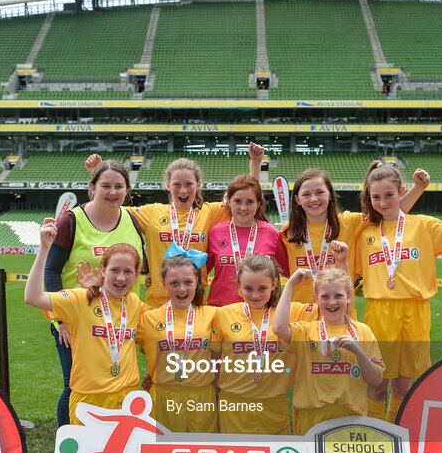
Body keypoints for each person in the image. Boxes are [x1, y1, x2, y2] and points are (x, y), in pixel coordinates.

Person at [354, 161, 442, 423]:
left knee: (402, 385)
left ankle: (396, 430)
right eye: (376, 197)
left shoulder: (424, 225)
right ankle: (375, 433)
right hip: (379, 312)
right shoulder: (364, 233)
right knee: (376, 383)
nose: (383, 202)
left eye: (389, 195)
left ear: (401, 191)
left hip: (416, 311)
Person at [85, 145, 264, 308]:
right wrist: (100, 176)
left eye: (189, 184)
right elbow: (112, 208)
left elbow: (248, 197)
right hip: (158, 304)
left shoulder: (209, 212)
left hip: (196, 305)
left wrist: (255, 164)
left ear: (198, 185)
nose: (183, 191)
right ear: (168, 185)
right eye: (177, 185)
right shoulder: (152, 212)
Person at [41, 160, 145, 427]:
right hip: (78, 319)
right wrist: (60, 320)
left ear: (127, 190)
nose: (112, 192)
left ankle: (113, 440)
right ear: (92, 187)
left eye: (118, 186)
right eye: (105, 186)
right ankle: (68, 446)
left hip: (120, 318)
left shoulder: (132, 219)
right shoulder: (73, 220)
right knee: (74, 384)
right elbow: (51, 270)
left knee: (115, 385)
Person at [25, 222, 145, 426]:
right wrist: (44, 249)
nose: (121, 277)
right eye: (115, 270)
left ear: (137, 274)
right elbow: (33, 297)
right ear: (103, 270)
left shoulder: (135, 304)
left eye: (128, 271)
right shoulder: (79, 300)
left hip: (126, 398)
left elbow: (162, 328)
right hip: (88, 400)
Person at [280, 167, 428, 305]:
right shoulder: (289, 230)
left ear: (330, 194)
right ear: (297, 199)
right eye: (306, 194)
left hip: (340, 313)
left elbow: (389, 211)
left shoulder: (349, 222)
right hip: (301, 315)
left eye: (320, 192)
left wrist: (418, 188)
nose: (313, 199)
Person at [273, 267, 384, 436]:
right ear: (316, 299)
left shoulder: (363, 331)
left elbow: (376, 380)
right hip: (312, 415)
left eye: (338, 296)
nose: (332, 302)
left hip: (350, 417)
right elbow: (279, 328)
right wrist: (290, 285)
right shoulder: (306, 331)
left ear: (348, 298)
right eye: (325, 297)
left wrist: (357, 350)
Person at [136, 247, 219, 433]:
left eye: (188, 282)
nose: (182, 289)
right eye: (174, 283)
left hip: (202, 397)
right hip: (164, 397)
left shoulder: (214, 315)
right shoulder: (148, 319)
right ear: (163, 284)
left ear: (197, 281)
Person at [210, 255, 295, 434]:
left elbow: (332, 305)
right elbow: (215, 358)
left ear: (274, 285)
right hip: (234, 406)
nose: (255, 295)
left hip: (273, 406)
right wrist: (215, 390)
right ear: (239, 287)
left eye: (262, 288)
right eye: (248, 288)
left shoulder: (289, 312)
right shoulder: (223, 314)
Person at [205, 175, 288, 306]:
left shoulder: (271, 233)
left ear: (259, 204)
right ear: (228, 201)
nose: (243, 208)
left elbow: (289, 271)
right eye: (237, 201)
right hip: (221, 311)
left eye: (250, 201)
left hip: (261, 312)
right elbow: (201, 273)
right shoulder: (215, 232)